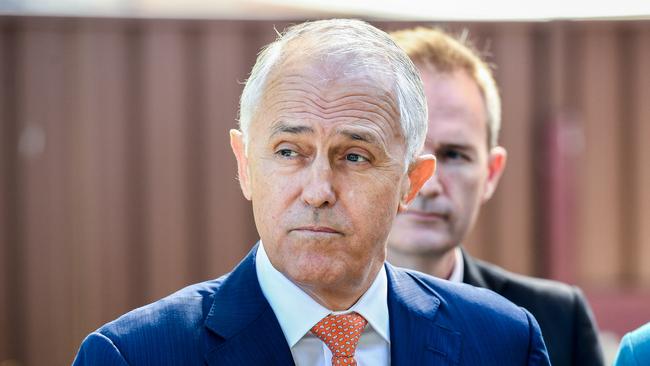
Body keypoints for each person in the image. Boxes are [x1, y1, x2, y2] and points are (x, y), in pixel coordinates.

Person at [73, 19, 550, 365]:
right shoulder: (133, 355)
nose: (319, 191)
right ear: (244, 165)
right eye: (288, 152)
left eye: (354, 156)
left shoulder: (504, 342)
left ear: (411, 182)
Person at [388, 26, 604, 366]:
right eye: (407, 155)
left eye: (454, 155)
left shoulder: (556, 321)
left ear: (491, 173)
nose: (428, 185)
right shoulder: (304, 315)